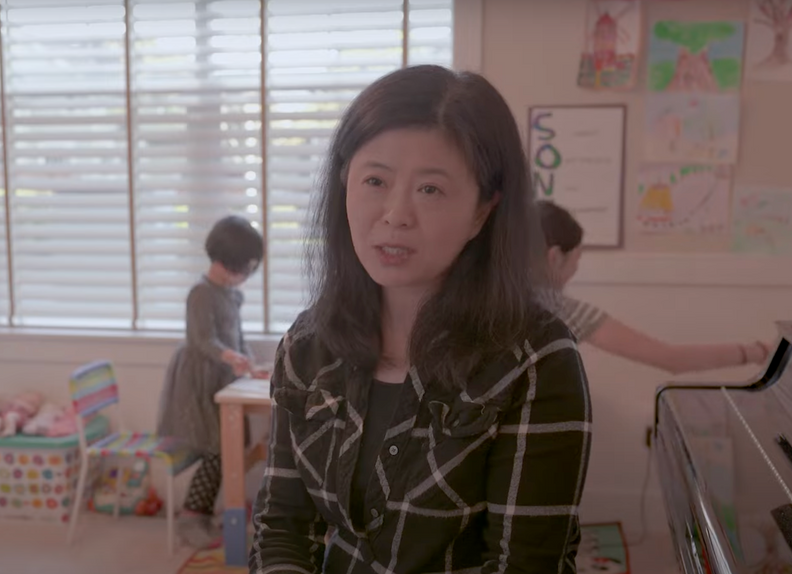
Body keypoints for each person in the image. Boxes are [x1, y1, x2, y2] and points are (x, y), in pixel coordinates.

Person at [250, 65, 592, 573]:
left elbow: (521, 565)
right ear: (345, 183)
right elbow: (282, 527)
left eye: (430, 189)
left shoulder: (536, 360)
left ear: (483, 211)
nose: (395, 214)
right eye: (374, 180)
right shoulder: (307, 344)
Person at [537, 200, 770, 374]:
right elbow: (672, 359)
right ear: (555, 257)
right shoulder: (559, 309)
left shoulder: (504, 295)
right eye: (576, 260)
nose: (575, 271)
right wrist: (758, 352)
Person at [157, 214, 269, 549]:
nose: (246, 276)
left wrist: (248, 363)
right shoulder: (201, 293)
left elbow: (236, 336)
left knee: (226, 446)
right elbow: (202, 340)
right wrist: (233, 358)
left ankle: (202, 513)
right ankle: (193, 516)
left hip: (221, 376)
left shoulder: (231, 294)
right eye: (246, 268)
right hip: (198, 381)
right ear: (228, 263)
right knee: (216, 446)